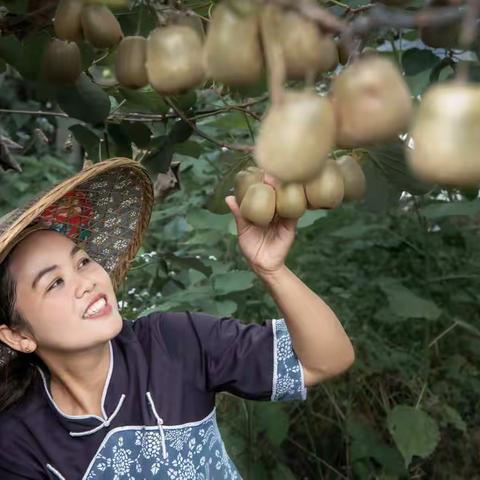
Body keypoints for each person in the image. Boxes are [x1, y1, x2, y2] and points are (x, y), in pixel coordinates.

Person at [0, 158, 354, 479]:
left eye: (83, 262)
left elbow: (326, 362)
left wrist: (271, 269)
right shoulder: (18, 441)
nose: (86, 282)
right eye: (56, 282)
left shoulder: (173, 343)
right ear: (17, 336)